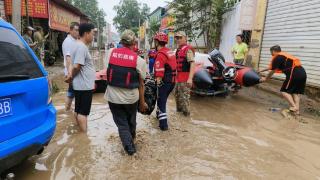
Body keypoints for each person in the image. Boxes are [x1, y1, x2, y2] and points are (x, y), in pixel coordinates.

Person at [104, 29, 148, 156]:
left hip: (113, 97)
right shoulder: (139, 61)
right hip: (131, 99)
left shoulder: (110, 52)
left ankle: (129, 148)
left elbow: (107, 69)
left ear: (121, 41)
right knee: (131, 121)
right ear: (134, 43)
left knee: (122, 124)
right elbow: (141, 83)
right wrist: (142, 103)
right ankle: (131, 147)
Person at [259, 45, 307, 115]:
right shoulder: (283, 56)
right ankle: (297, 111)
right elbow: (271, 67)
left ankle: (294, 106)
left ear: (273, 51)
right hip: (302, 73)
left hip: (294, 74)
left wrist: (266, 78)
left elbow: (272, 70)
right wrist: (261, 71)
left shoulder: (277, 57)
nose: (271, 54)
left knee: (284, 91)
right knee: (295, 92)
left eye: (271, 52)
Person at [65, 23, 96, 132]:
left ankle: (78, 133)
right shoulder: (81, 47)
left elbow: (70, 63)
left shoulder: (76, 45)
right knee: (83, 113)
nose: (93, 36)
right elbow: (77, 66)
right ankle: (84, 137)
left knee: (78, 110)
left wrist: (70, 76)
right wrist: (70, 77)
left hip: (80, 85)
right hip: (84, 85)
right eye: (93, 33)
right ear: (86, 34)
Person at [153, 32, 177, 130]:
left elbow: (159, 73)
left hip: (165, 82)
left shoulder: (161, 54)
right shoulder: (169, 52)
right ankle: (158, 116)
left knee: (161, 102)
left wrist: (157, 83)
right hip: (172, 82)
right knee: (162, 100)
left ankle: (163, 125)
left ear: (157, 42)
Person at [175, 31, 195, 116]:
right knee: (177, 97)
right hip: (178, 78)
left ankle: (186, 118)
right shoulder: (178, 50)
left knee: (185, 99)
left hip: (185, 78)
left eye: (180, 38)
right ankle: (179, 117)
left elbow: (192, 63)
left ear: (185, 38)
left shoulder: (188, 49)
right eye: (177, 38)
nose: (178, 40)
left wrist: (190, 79)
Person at [62, 22, 79, 111]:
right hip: (71, 70)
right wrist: (70, 73)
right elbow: (68, 58)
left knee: (71, 92)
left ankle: (67, 111)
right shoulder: (68, 41)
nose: (77, 32)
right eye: (76, 30)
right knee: (73, 92)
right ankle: (69, 111)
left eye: (78, 30)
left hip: (74, 70)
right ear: (71, 30)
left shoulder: (74, 40)